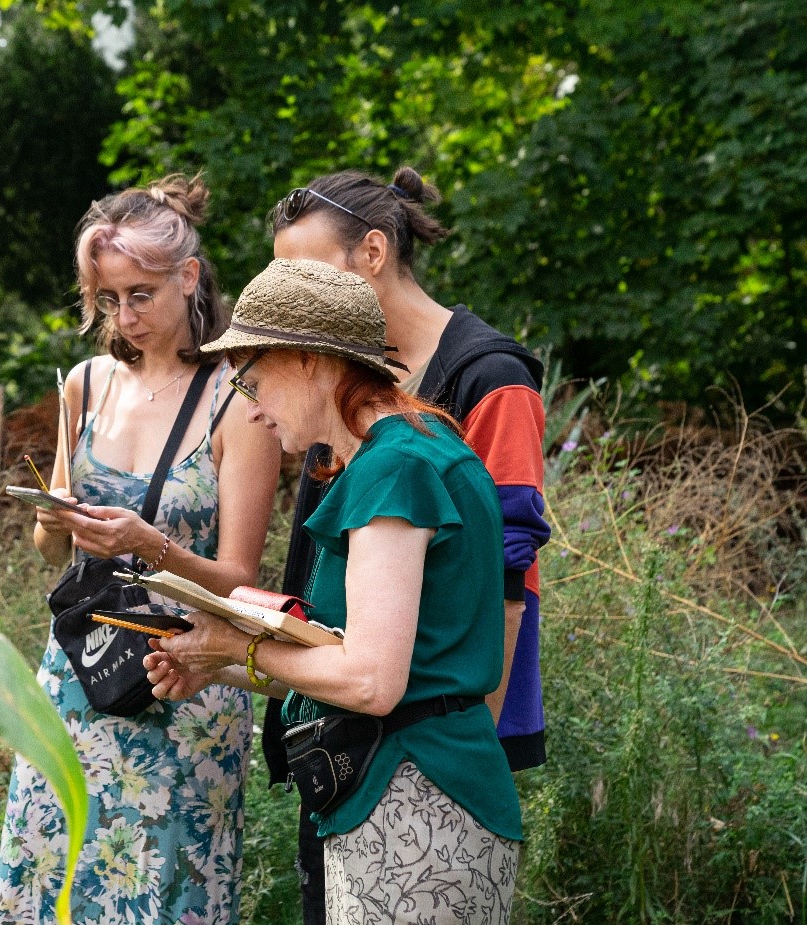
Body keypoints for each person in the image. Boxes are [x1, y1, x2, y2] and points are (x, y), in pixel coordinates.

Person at [146, 257, 523, 924]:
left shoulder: (392, 469)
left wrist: (237, 641)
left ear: (312, 361)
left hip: (412, 803)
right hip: (418, 799)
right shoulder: (417, 447)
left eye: (254, 380)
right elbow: (349, 662)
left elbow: (372, 682)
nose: (253, 408)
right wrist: (216, 662)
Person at [0, 174, 281, 925]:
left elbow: (241, 581)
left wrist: (151, 544)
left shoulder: (239, 401)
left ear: (188, 277)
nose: (125, 315)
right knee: (56, 880)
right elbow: (48, 551)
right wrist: (56, 520)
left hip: (180, 684)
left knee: (161, 892)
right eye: (108, 298)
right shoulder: (84, 385)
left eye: (140, 294)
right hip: (78, 675)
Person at [265, 167, 550, 923]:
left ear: (370, 253)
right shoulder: (340, 402)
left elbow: (505, 581)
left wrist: (452, 748)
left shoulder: (488, 376)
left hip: (426, 743)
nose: (289, 293)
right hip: (351, 738)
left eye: (303, 272)